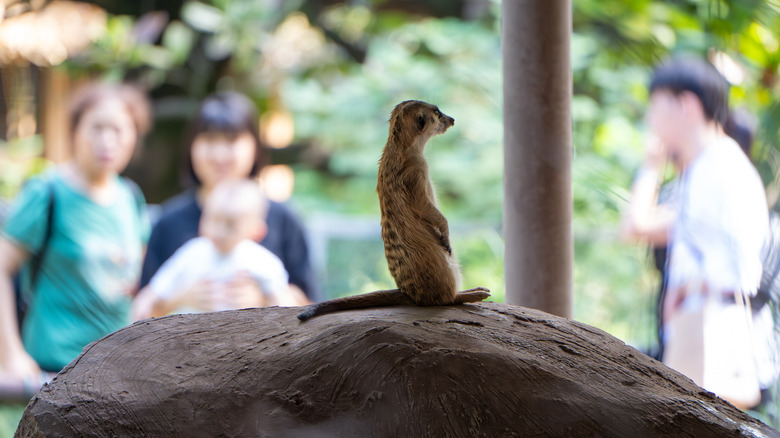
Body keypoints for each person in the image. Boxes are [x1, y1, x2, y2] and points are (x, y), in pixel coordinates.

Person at [621, 57, 769, 409]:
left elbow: (743, 270)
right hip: (699, 335)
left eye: (656, 108)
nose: (651, 121)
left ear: (685, 104)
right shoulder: (707, 168)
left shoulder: (720, 168)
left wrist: (690, 286)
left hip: (714, 338)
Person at [0, 81, 151, 383]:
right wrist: (11, 354)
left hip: (115, 375)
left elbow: (134, 288)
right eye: (97, 128)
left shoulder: (131, 199)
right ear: (75, 131)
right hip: (51, 372)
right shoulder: (47, 193)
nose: (107, 140)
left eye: (119, 130)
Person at [140, 92, 316, 305]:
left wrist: (264, 300)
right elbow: (143, 308)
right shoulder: (168, 222)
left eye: (231, 140)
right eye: (209, 140)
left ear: (255, 146)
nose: (219, 154)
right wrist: (182, 299)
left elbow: (311, 303)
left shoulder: (284, 218)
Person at [133, 179, 295, 319]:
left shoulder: (260, 260)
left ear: (256, 231)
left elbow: (283, 301)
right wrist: (143, 304)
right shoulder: (193, 252)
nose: (218, 231)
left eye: (230, 224)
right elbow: (158, 287)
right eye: (212, 220)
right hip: (188, 340)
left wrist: (264, 303)